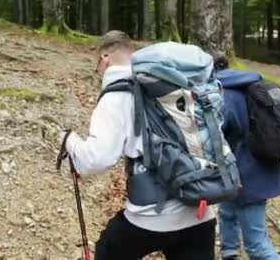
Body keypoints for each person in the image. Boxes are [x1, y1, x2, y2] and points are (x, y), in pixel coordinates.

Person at [59, 30, 216, 260]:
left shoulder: (116, 96)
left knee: (107, 250)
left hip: (151, 216)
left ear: (105, 58)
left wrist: (69, 141)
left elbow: (96, 160)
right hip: (199, 209)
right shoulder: (173, 85)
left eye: (97, 67)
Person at [214, 54, 280, 260]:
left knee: (257, 246)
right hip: (257, 169)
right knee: (227, 214)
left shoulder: (223, 95)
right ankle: (229, 254)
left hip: (246, 176)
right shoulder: (250, 86)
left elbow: (217, 134)